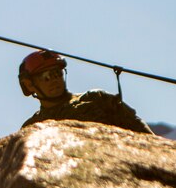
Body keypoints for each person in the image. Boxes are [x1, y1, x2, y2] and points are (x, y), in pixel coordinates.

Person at [18, 50, 153, 134]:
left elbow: (144, 135)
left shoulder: (98, 99)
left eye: (57, 73)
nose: (55, 80)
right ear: (30, 85)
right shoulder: (32, 127)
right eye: (46, 76)